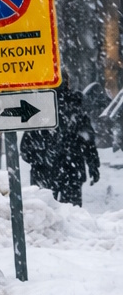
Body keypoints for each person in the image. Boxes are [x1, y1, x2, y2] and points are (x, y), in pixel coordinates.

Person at [21, 78, 102, 206]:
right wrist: (93, 166)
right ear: (68, 83)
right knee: (71, 216)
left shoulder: (39, 107)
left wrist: (41, 158)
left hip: (44, 173)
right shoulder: (75, 107)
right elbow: (87, 141)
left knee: (44, 215)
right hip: (72, 172)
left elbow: (26, 149)